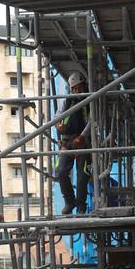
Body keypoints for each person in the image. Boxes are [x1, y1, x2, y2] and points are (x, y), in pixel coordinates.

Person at [54, 74, 91, 217]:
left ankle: (81, 206)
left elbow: (92, 119)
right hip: (67, 142)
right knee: (61, 171)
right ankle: (69, 202)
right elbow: (58, 116)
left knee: (83, 176)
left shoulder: (89, 100)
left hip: (84, 142)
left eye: (79, 87)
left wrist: (82, 136)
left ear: (84, 85)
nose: (77, 91)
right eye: (74, 88)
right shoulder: (67, 100)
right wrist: (58, 125)